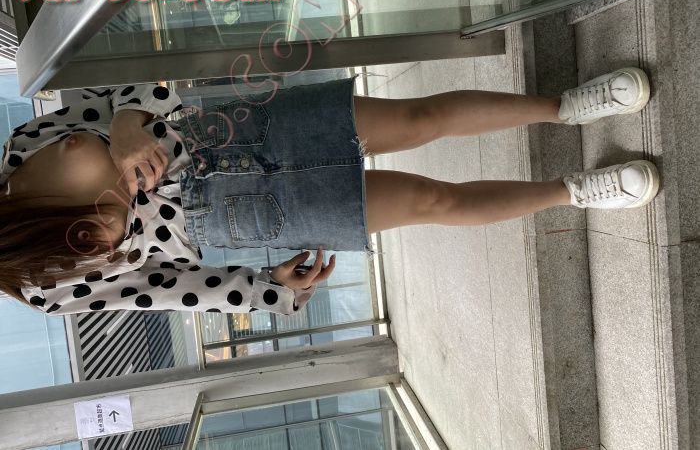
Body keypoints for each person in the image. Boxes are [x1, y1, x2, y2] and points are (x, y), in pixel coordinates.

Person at [0, 67, 659, 317]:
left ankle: (565, 107)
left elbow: (123, 79)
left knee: (417, 118)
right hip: (226, 215)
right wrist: (266, 289)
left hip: (218, 131)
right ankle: (575, 191)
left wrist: (125, 123)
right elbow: (163, 289)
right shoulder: (41, 286)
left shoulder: (22, 148)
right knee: (432, 201)